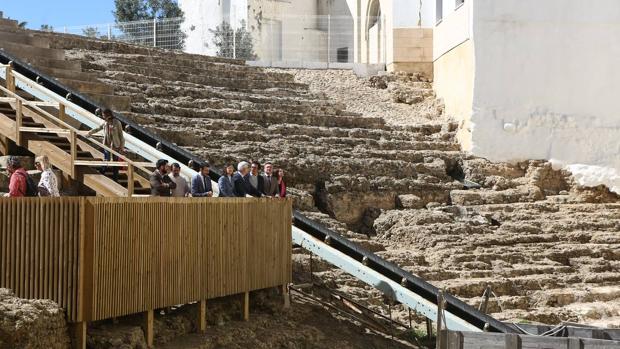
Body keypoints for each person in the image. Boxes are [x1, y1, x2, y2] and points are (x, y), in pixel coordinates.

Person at [87, 108, 125, 182]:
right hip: (107, 145)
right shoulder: (105, 123)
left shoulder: (117, 123)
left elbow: (121, 136)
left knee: (115, 163)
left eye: (103, 115)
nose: (102, 116)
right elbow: (98, 128)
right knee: (106, 159)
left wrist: (121, 147)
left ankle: (115, 179)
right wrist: (90, 133)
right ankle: (102, 173)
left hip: (115, 146)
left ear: (108, 114)